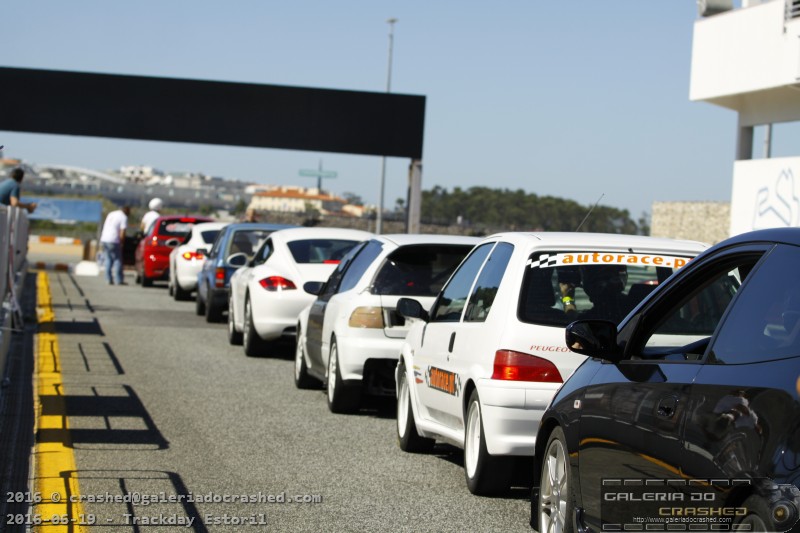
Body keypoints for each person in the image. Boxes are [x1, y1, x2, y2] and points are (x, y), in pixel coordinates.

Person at [100, 205, 131, 285]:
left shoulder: (112, 214)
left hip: (104, 238)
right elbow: (122, 231)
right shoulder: (123, 217)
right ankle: (118, 279)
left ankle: (108, 279)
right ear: (127, 211)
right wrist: (122, 242)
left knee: (108, 259)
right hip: (114, 240)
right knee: (118, 260)